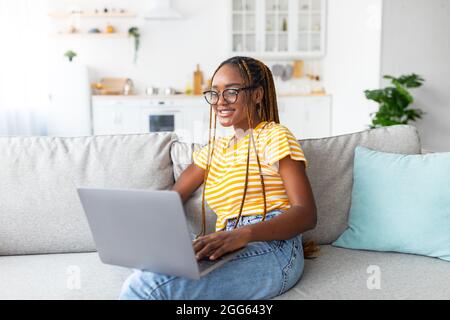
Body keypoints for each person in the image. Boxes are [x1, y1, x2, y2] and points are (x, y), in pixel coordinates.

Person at [119, 56, 317, 300]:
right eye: (214, 93)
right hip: (226, 241)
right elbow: (170, 201)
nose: (220, 102)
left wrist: (242, 234)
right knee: (146, 268)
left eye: (231, 92)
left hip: (273, 247)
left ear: (257, 94)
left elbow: (306, 214)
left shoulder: (274, 136)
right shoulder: (213, 150)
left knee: (144, 288)